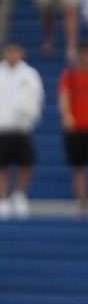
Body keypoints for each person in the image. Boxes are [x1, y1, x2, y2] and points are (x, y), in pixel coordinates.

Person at [0, 43, 44, 218]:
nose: (12, 54)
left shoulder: (30, 75)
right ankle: (2, 199)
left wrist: (31, 117)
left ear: (21, 53)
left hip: (22, 128)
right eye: (9, 51)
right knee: (2, 167)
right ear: (5, 52)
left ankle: (19, 195)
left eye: (16, 51)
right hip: (2, 127)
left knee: (25, 165)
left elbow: (38, 98)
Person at [62, 47, 88, 213]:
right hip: (77, 127)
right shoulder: (70, 75)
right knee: (78, 167)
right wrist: (66, 115)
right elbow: (64, 95)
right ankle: (80, 201)